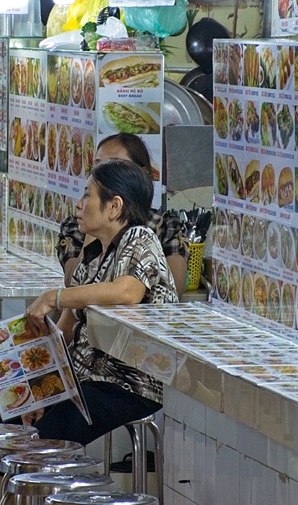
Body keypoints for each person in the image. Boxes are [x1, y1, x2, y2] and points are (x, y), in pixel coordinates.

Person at [22, 159, 181, 445]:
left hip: (128, 384)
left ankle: (45, 489)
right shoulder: (94, 255)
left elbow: (126, 292)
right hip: (84, 378)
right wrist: (39, 385)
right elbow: (65, 331)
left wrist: (53, 296)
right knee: (9, 424)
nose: (79, 205)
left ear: (114, 206)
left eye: (87, 195)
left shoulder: (140, 238)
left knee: (36, 440)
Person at [56, 133, 188, 294]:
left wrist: (56, 298)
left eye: (115, 166)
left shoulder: (143, 236)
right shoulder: (80, 227)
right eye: (97, 166)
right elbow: (74, 287)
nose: (103, 174)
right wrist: (98, 228)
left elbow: (127, 293)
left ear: (141, 173)